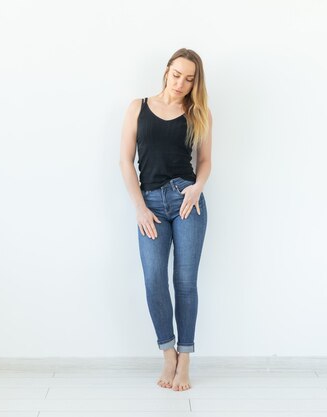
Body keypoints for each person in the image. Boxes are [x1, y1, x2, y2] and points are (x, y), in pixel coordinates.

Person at [119, 48, 212, 391]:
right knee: (154, 280)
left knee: (185, 282)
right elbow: (126, 161)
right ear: (167, 71)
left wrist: (197, 188)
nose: (181, 83)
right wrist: (140, 207)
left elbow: (205, 161)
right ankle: (168, 352)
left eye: (189, 79)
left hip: (188, 201)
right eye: (177, 75)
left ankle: (185, 358)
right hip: (151, 205)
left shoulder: (198, 113)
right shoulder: (137, 108)